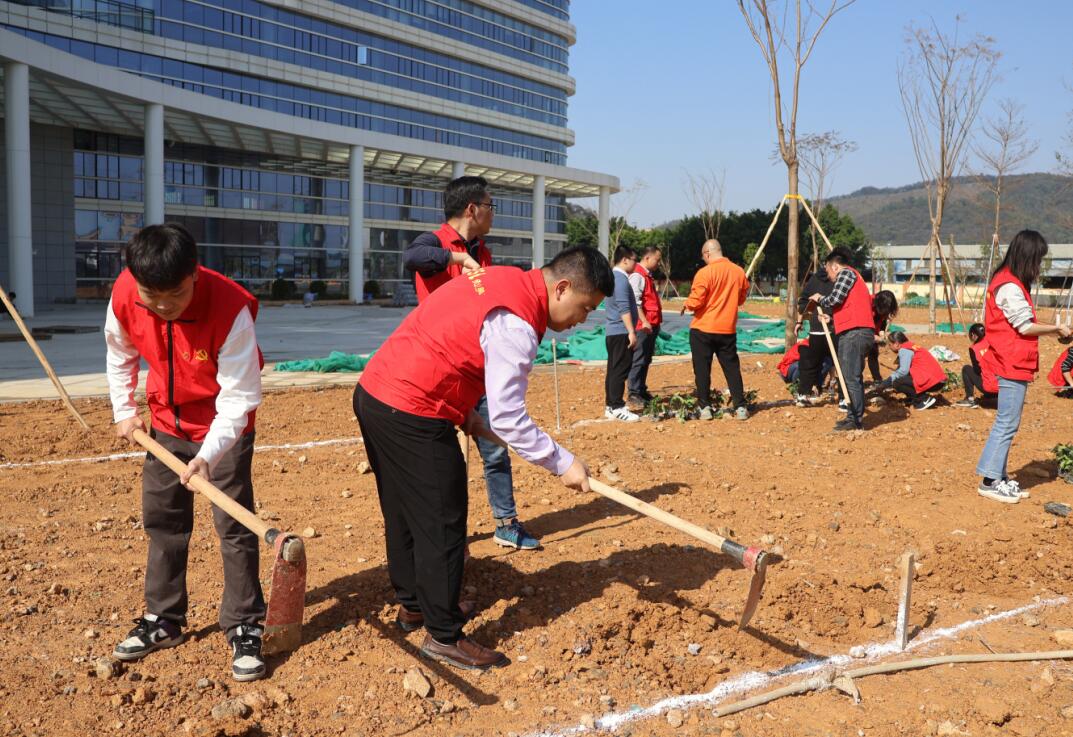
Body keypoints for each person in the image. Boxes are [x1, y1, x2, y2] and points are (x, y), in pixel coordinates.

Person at [353, 247, 611, 670]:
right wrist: (562, 462)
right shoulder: (519, 322)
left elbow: (454, 340)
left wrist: (466, 413)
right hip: (411, 407)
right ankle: (443, 635)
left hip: (376, 393)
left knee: (402, 510)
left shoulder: (505, 278)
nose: (582, 320)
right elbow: (509, 417)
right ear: (562, 287)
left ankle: (413, 605)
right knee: (443, 521)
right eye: (585, 308)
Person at [104, 223, 267, 682]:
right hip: (164, 424)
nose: (161, 305)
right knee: (164, 522)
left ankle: (244, 623)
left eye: (173, 294)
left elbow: (238, 399)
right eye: (150, 295)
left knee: (233, 525)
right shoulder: (125, 294)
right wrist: (124, 410)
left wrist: (207, 456)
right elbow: (120, 353)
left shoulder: (231, 309)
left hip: (224, 428)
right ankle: (164, 619)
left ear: (194, 274)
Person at [403, 176, 536, 550]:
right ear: (472, 209)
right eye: (491, 205)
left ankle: (506, 523)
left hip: (478, 367)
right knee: (441, 460)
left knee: (495, 445)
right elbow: (412, 258)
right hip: (439, 372)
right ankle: (445, 534)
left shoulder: (485, 251)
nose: (495, 213)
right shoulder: (435, 243)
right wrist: (456, 257)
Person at [975, 230, 1072, 504]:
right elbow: (1024, 325)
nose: (1039, 267)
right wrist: (1056, 328)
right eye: (1038, 260)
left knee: (1008, 421)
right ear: (1027, 257)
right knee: (1006, 422)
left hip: (1012, 360)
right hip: (1011, 360)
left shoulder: (1008, 281)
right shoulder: (1009, 285)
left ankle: (998, 476)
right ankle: (990, 480)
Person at [680, 239, 750, 420]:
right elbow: (741, 299)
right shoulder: (738, 271)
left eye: (704, 257)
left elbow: (696, 301)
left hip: (703, 328)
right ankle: (740, 407)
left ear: (707, 254)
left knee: (702, 369)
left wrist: (686, 304)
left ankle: (705, 408)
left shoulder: (704, 273)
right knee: (732, 368)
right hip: (727, 329)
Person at [810, 247, 874, 432]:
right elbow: (847, 306)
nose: (829, 276)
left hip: (855, 333)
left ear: (835, 266)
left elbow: (835, 299)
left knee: (850, 377)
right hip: (855, 331)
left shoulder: (846, 274)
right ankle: (852, 416)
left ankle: (855, 419)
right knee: (850, 376)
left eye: (828, 271)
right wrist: (832, 320)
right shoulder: (853, 277)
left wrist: (820, 298)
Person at [605, 245, 641, 421]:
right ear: (625, 260)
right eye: (634, 259)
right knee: (620, 370)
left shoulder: (614, 277)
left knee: (613, 369)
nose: (636, 263)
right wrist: (631, 331)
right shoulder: (619, 279)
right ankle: (616, 406)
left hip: (615, 331)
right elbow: (623, 306)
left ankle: (611, 405)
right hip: (620, 331)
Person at [627, 245, 664, 407]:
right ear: (647, 258)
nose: (659, 263)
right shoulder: (638, 275)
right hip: (643, 326)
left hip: (651, 325)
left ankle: (641, 389)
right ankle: (634, 392)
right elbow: (635, 302)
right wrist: (645, 321)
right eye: (657, 259)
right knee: (639, 358)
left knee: (646, 358)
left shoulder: (647, 276)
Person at [795, 264, 836, 405]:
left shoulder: (814, 279)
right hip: (831, 328)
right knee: (838, 362)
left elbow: (802, 302)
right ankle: (843, 398)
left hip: (821, 328)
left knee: (813, 363)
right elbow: (804, 301)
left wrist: (799, 322)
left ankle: (804, 394)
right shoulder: (837, 278)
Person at [874, 331, 946, 410]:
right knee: (904, 378)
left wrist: (885, 384)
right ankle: (913, 398)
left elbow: (902, 371)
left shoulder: (904, 350)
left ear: (897, 344)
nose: (890, 347)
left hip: (933, 381)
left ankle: (923, 399)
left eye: (890, 345)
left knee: (898, 382)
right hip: (938, 379)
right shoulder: (911, 346)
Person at [954, 323, 997, 408]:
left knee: (966, 369)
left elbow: (977, 371)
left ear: (973, 335)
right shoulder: (992, 341)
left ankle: (969, 398)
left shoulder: (974, 348)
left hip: (988, 386)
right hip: (1003, 387)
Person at [867, 290, 899, 384]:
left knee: (873, 355)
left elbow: (882, 320)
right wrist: (872, 336)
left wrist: (881, 332)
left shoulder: (883, 309)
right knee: (859, 359)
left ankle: (877, 379)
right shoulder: (868, 303)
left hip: (874, 334)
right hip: (862, 334)